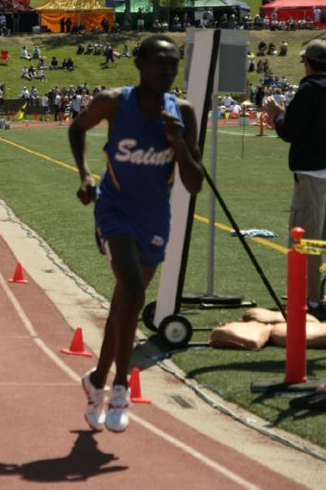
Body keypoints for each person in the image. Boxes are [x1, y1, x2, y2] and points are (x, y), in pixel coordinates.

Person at [68, 35, 203, 432]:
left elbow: (193, 184)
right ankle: (121, 388)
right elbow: (78, 130)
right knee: (133, 290)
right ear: (139, 63)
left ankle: (95, 382)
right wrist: (85, 174)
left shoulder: (183, 113)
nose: (167, 70)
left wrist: (178, 143)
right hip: (114, 211)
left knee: (124, 306)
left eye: (174, 64)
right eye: (160, 61)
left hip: (154, 219)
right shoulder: (114, 102)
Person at [262, 39, 326, 319]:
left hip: (311, 174)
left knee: (306, 241)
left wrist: (276, 114)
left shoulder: (309, 89)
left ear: (308, 63)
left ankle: (312, 300)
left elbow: (291, 131)